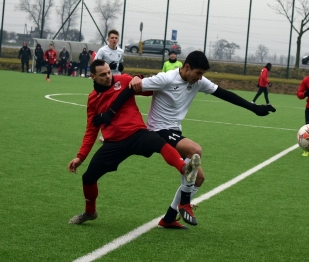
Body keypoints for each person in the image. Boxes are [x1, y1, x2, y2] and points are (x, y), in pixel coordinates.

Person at [93, 51, 276, 228]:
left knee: (198, 179)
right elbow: (130, 89)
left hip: (175, 132)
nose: (200, 77)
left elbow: (225, 94)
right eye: (198, 73)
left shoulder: (198, 81)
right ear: (187, 67)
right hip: (158, 130)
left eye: (202, 74)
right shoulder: (166, 78)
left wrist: (255, 109)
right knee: (195, 150)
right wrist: (110, 114)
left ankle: (169, 218)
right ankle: (185, 203)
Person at [67, 59, 201, 227]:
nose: (108, 76)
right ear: (92, 76)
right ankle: (90, 212)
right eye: (103, 75)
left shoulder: (122, 80)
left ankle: (184, 169)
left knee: (158, 142)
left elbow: (150, 89)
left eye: (109, 72)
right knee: (88, 178)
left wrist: (139, 79)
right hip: (113, 144)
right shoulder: (93, 99)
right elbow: (91, 129)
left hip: (137, 134)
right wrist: (80, 156)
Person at [95, 29, 125, 142]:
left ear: (118, 39)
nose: (114, 40)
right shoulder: (102, 51)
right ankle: (104, 133)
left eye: (116, 38)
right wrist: (107, 66)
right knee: (106, 107)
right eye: (112, 38)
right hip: (106, 82)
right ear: (108, 39)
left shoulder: (121, 51)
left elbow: (120, 63)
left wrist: (120, 67)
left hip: (117, 82)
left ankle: (115, 132)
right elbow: (95, 63)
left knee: (117, 107)